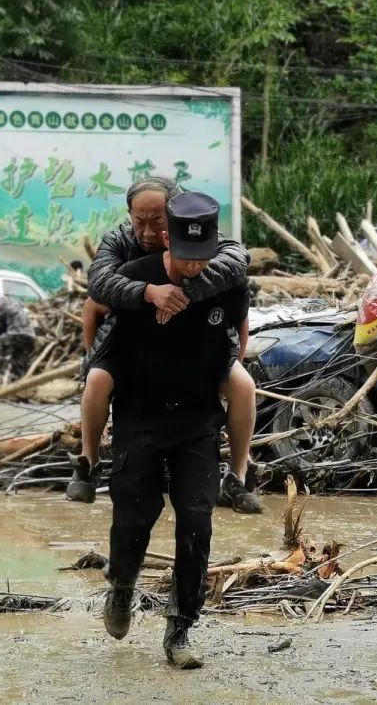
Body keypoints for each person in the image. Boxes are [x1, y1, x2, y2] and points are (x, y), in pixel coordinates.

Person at [101, 191, 248, 669]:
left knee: (196, 523)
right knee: (133, 519)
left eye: (201, 259)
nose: (192, 268)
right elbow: (104, 334)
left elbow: (239, 340)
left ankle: (180, 629)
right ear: (167, 240)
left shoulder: (226, 282)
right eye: (184, 260)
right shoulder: (133, 280)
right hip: (139, 419)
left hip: (197, 421)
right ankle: (122, 587)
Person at [66, 176, 260, 514]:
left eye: (157, 221)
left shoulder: (201, 238)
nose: (147, 231)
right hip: (132, 346)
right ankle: (89, 462)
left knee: (243, 385)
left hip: (199, 346)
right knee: (97, 380)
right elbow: (97, 289)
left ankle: (239, 475)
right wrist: (149, 292)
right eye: (139, 221)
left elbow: (237, 261)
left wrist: (187, 288)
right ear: (129, 216)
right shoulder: (119, 245)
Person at [0, 285, 36, 381]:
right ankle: (19, 380)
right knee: (19, 360)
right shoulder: (8, 301)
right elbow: (21, 305)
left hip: (16, 333)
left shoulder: (1, 305)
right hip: (29, 335)